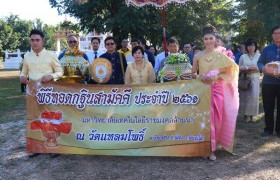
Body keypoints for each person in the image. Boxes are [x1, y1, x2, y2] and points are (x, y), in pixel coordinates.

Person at [192, 25, 239, 160]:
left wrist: (217, 75)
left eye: (211, 38)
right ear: (203, 40)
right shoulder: (198, 55)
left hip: (217, 89)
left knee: (216, 118)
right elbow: (193, 73)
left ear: (215, 39)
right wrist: (200, 77)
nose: (208, 41)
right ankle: (203, 147)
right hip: (202, 90)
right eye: (206, 39)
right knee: (203, 118)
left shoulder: (220, 54)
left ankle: (212, 149)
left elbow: (233, 68)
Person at [19, 29, 63, 158]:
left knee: (50, 118)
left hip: (48, 92)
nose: (34, 43)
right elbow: (24, 71)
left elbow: (60, 71)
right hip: (32, 93)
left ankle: (53, 147)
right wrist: (22, 77)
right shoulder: (27, 56)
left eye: (37, 40)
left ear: (43, 41)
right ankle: (35, 146)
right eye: (32, 40)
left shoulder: (51, 55)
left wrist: (51, 76)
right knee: (34, 118)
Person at [257, 25, 280, 137]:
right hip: (268, 82)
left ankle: (279, 130)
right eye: (275, 33)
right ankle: (268, 129)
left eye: (279, 33)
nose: (277, 35)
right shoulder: (266, 49)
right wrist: (263, 68)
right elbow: (260, 62)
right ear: (272, 35)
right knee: (268, 107)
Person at [239, 39, 260, 122]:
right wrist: (247, 68)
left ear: (255, 46)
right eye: (249, 45)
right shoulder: (243, 56)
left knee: (253, 97)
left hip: (255, 79)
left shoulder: (259, 56)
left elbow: (261, 67)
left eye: (252, 45)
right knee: (245, 97)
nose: (250, 47)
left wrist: (254, 68)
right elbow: (239, 67)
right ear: (246, 47)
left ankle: (252, 116)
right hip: (245, 78)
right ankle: (245, 115)